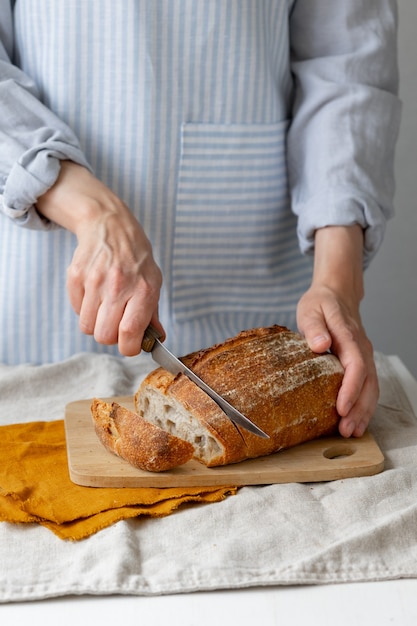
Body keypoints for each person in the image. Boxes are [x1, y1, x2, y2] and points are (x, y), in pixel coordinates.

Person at [0, 1, 401, 439]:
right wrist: (90, 211)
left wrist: (337, 282)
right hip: (37, 297)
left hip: (257, 293)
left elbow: (347, 65)